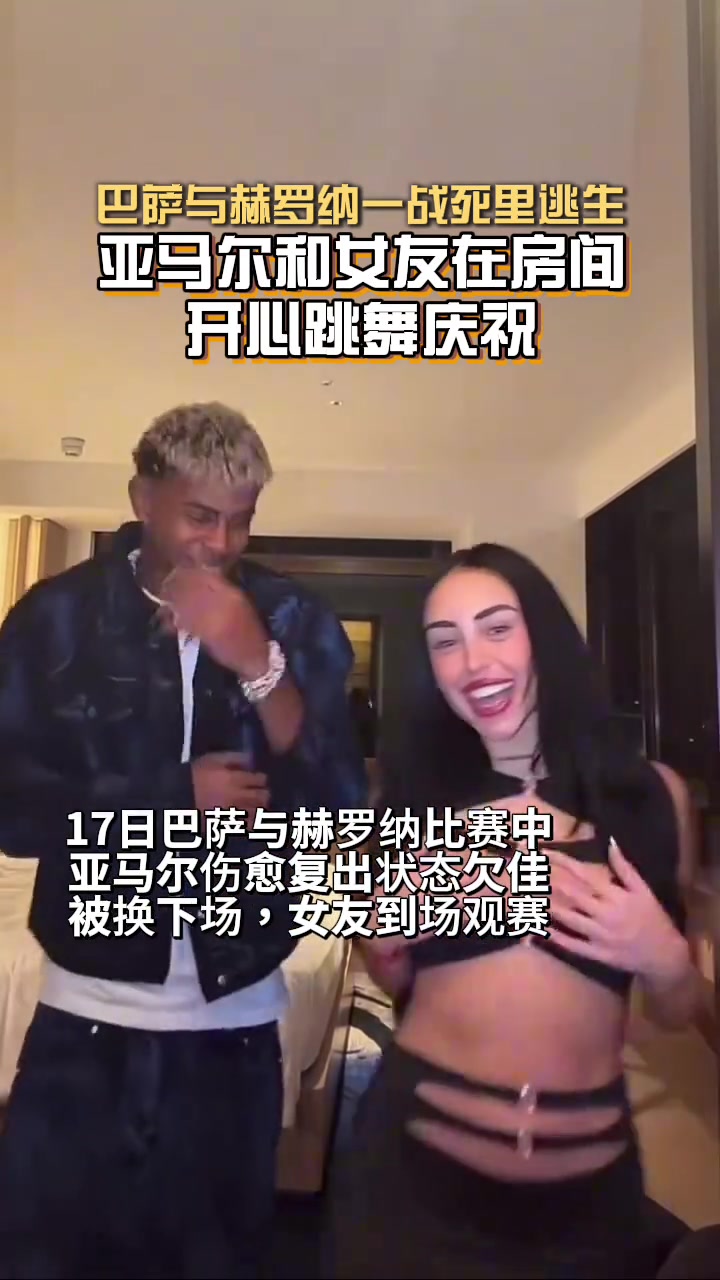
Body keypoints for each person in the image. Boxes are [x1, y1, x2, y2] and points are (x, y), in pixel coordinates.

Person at [0, 401, 367, 1279]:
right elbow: (11, 809)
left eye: (241, 519)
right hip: (82, 1026)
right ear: (142, 499)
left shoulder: (294, 618)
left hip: (235, 1031)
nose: (221, 543)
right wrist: (171, 795)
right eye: (200, 515)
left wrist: (259, 664)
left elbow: (336, 801)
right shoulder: (55, 620)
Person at [333, 543, 701, 1279]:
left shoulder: (653, 797)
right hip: (412, 1190)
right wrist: (387, 933)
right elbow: (396, 981)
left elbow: (676, 1009)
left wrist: (662, 955)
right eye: (446, 642)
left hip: (588, 1208)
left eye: (497, 628)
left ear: (545, 636)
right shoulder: (412, 803)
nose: (474, 664)